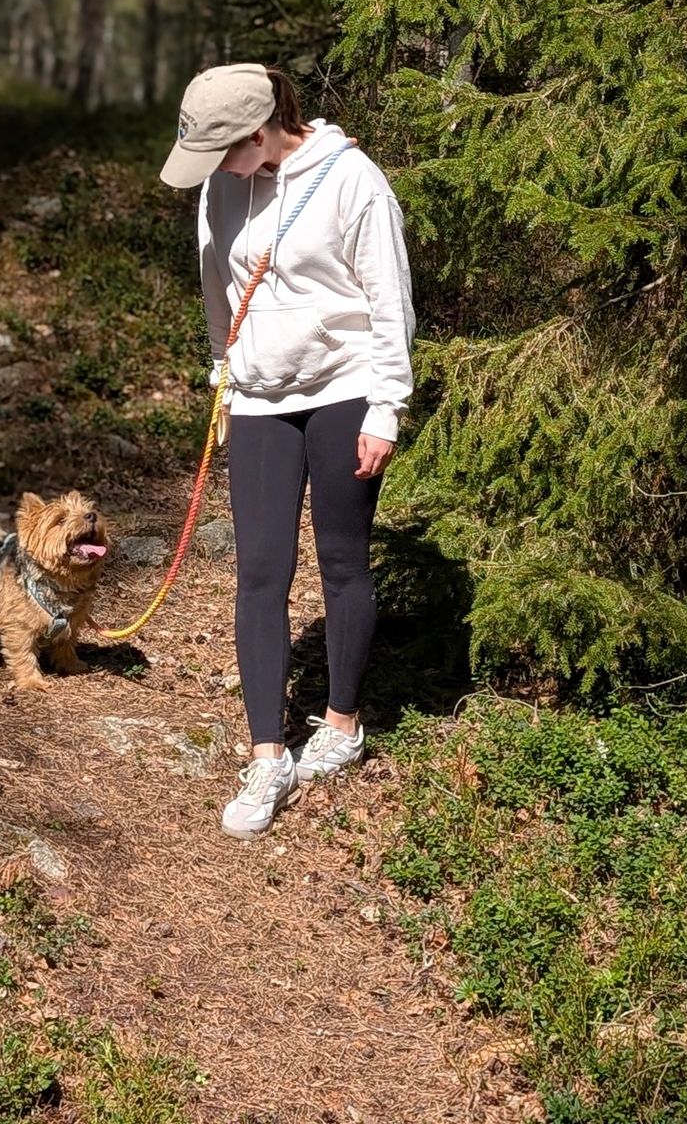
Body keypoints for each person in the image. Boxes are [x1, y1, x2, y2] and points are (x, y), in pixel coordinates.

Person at [160, 63, 415, 840]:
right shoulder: (220, 186)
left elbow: (388, 298)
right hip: (261, 398)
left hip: (344, 391)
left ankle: (340, 726)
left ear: (259, 133)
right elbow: (217, 288)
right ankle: (267, 753)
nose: (210, 171)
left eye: (219, 152)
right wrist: (225, 376)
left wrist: (386, 409)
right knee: (260, 570)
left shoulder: (351, 180)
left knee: (342, 560)